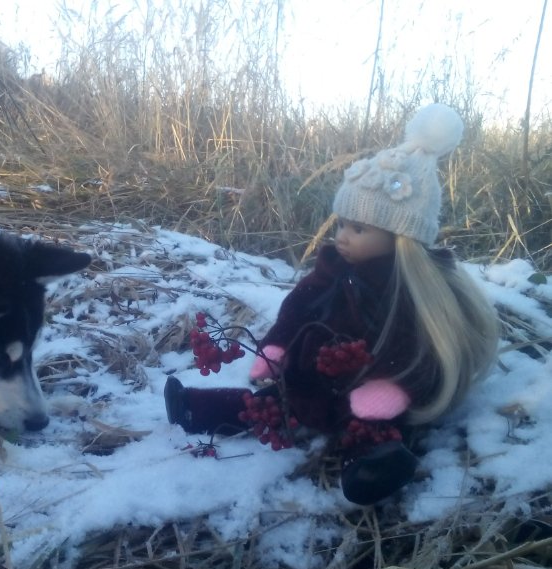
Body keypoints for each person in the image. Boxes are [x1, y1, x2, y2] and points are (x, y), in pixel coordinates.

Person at [164, 103, 500, 505]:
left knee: (369, 424)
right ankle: (193, 408)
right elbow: (298, 308)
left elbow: (425, 349)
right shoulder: (331, 268)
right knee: (274, 405)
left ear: (401, 236)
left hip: (370, 382)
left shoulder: (414, 291)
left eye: (358, 229)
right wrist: (276, 346)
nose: (342, 237)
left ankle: (372, 468)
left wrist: (393, 387)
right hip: (316, 374)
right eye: (341, 224)